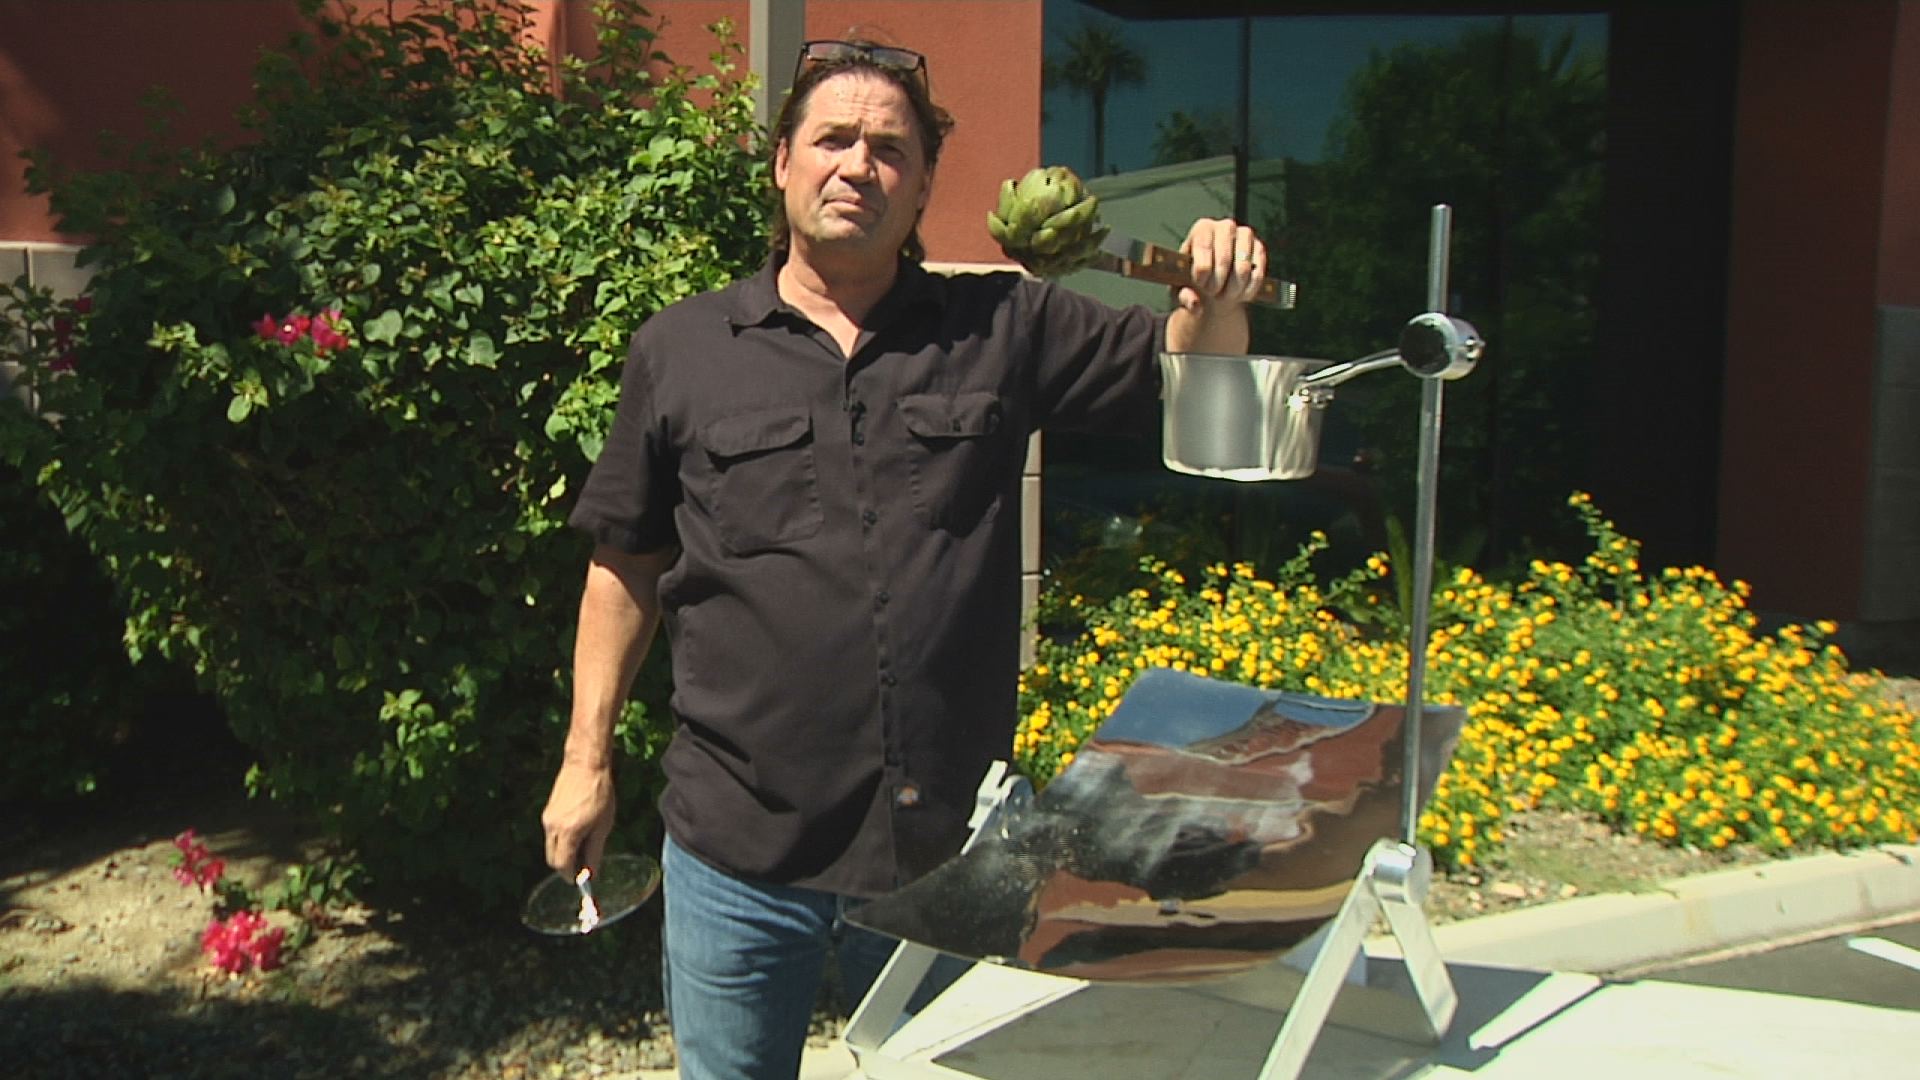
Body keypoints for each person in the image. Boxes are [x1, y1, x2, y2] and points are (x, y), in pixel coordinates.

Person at [540, 37, 1269, 1080]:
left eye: (890, 149)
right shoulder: (683, 350)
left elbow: (1187, 385)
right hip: (737, 854)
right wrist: (585, 762)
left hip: (943, 853)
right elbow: (626, 566)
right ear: (782, 163)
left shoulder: (1005, 326)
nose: (858, 166)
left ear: (924, 183)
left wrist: (1214, 298)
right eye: (832, 139)